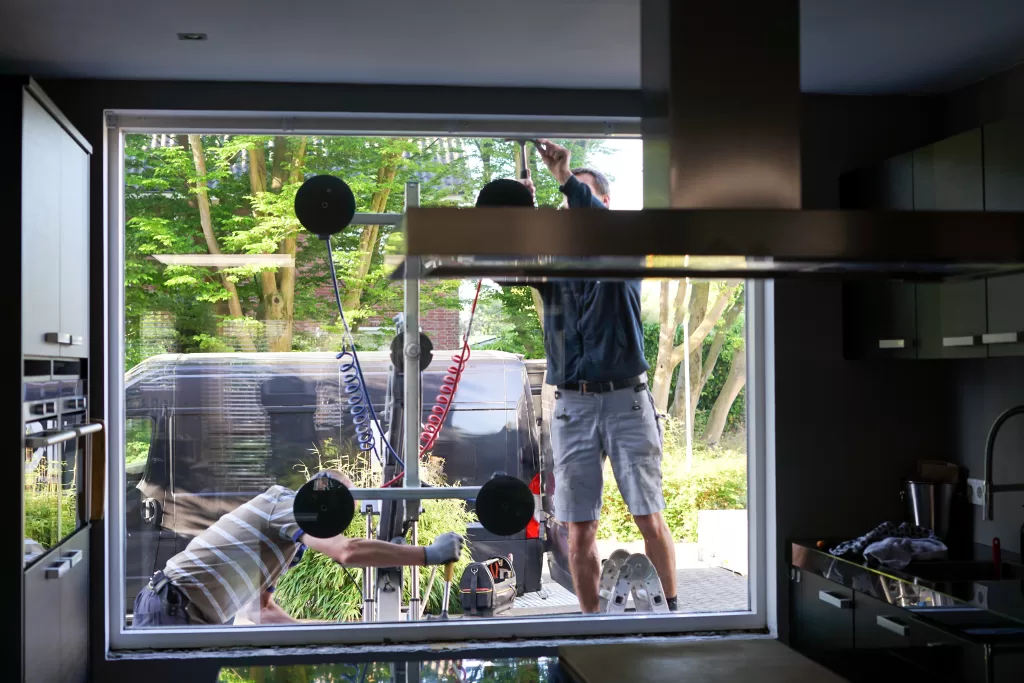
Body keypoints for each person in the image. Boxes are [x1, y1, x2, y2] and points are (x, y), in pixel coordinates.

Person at [478, 141, 677, 614]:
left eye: (579, 201)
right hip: (571, 406)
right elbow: (504, 271)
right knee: (578, 529)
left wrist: (565, 178)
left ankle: (672, 614)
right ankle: (592, 625)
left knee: (649, 516)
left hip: (627, 401)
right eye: (567, 205)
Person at [132, 470, 465, 626]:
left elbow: (259, 612)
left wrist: (328, 638)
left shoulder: (280, 544)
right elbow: (346, 551)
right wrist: (428, 554)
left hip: (184, 614)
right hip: (172, 609)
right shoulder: (285, 503)